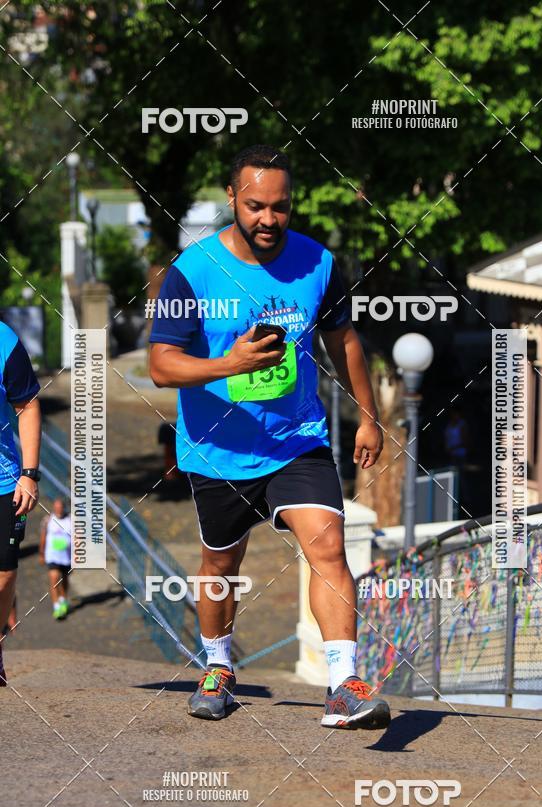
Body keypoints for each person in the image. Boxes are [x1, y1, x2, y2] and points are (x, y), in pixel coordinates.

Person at [149, 145, 391, 729]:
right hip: (219, 449)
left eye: (279, 207)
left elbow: (345, 341)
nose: (267, 219)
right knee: (220, 565)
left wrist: (368, 415)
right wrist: (229, 366)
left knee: (328, 548)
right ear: (231, 198)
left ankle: (343, 685)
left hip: (296, 440)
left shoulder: (317, 263)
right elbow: (162, 365)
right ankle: (218, 667)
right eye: (255, 205)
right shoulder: (193, 270)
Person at [0, 321, 41, 686]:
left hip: (3, 480)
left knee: (4, 574)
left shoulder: (5, 341)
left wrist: (29, 473)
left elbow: (26, 405)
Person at [39, 497, 72, 620]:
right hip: (52, 556)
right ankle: (56, 606)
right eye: (56, 508)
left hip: (66, 557)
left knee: (64, 580)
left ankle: (63, 599)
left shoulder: (71, 520)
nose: (58, 510)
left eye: (60, 508)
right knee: (54, 578)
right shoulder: (48, 520)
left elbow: (77, 538)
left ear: (64, 508)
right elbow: (43, 537)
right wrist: (41, 553)